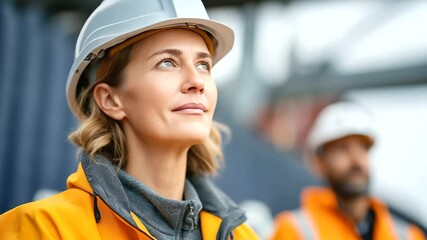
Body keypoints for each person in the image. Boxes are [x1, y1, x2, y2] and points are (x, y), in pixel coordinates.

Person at [0, 0, 259, 239]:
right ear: (111, 100)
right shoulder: (41, 229)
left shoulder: (242, 236)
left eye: (204, 65)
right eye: (168, 62)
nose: (196, 82)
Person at [271, 102, 425, 240]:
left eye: (363, 149)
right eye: (343, 149)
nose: (357, 161)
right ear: (319, 162)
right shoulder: (293, 231)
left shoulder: (408, 236)